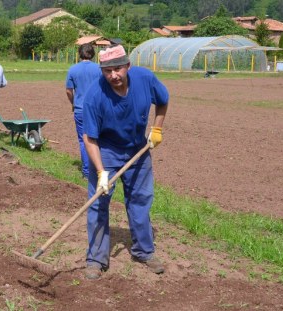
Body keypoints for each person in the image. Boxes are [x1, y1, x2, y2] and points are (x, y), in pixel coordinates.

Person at [82, 44, 168, 280]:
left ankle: (144, 251)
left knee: (140, 200)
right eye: (107, 71)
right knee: (99, 203)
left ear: (128, 66)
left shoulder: (145, 79)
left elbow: (163, 101)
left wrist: (157, 128)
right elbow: (89, 138)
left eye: (118, 69)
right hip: (106, 151)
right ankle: (96, 259)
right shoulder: (94, 96)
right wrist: (101, 172)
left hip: (137, 149)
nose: (113, 75)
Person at [65, 43, 101, 178]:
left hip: (80, 109)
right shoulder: (99, 69)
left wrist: (73, 103)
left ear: (80, 54)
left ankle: (87, 172)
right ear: (92, 54)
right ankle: (100, 169)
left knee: (83, 140)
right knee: (98, 139)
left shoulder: (73, 70)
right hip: (97, 109)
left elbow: (69, 90)